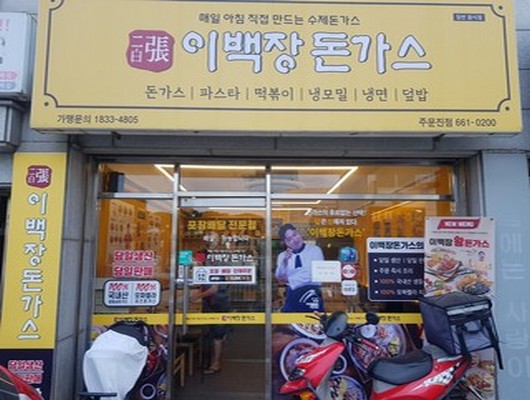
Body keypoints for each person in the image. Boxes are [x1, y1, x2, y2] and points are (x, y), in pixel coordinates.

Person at [275, 223, 325, 312]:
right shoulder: (282, 256)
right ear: (285, 242)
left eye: (295, 235)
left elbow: (313, 275)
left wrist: (289, 279)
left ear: (299, 233)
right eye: (289, 239)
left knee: (314, 320)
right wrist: (285, 262)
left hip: (312, 294)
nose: (295, 240)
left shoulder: (315, 250)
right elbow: (280, 277)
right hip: (292, 295)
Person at [191, 284, 231, 374]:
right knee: (209, 336)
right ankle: (207, 363)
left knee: (217, 337)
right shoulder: (207, 276)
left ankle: (215, 364)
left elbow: (213, 289)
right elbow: (203, 287)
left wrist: (197, 296)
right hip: (210, 307)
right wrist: (197, 295)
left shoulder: (218, 276)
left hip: (218, 308)